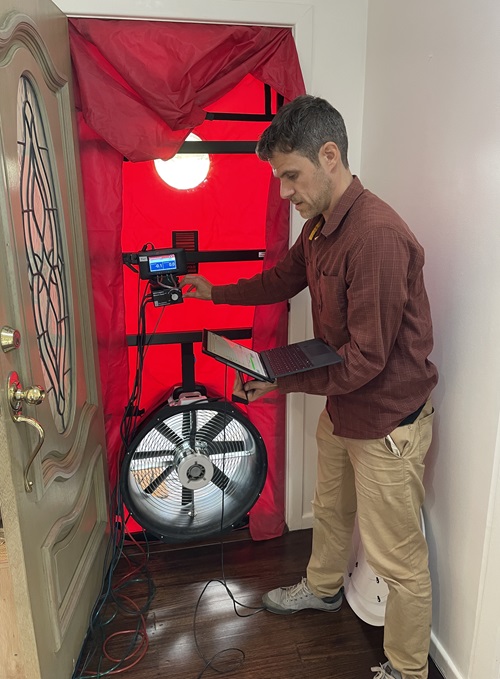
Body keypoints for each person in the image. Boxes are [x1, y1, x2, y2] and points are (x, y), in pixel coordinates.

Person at [181, 94, 438, 679]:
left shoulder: (376, 236)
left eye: (290, 175)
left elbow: (367, 361)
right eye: (279, 178)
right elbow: (283, 279)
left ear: (330, 156)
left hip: (385, 422)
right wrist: (214, 292)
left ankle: (408, 669)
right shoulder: (322, 226)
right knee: (330, 508)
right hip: (343, 408)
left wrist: (280, 383)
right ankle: (323, 589)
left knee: (399, 560)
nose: (284, 192)